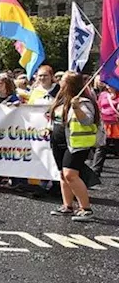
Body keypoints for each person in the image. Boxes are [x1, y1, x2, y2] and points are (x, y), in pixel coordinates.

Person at [48, 71, 97, 222]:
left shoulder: (82, 101)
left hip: (75, 143)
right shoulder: (60, 99)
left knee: (70, 174)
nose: (59, 82)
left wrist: (76, 108)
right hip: (58, 141)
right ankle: (67, 206)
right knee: (63, 174)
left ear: (70, 84)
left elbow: (88, 121)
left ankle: (86, 208)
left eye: (62, 80)